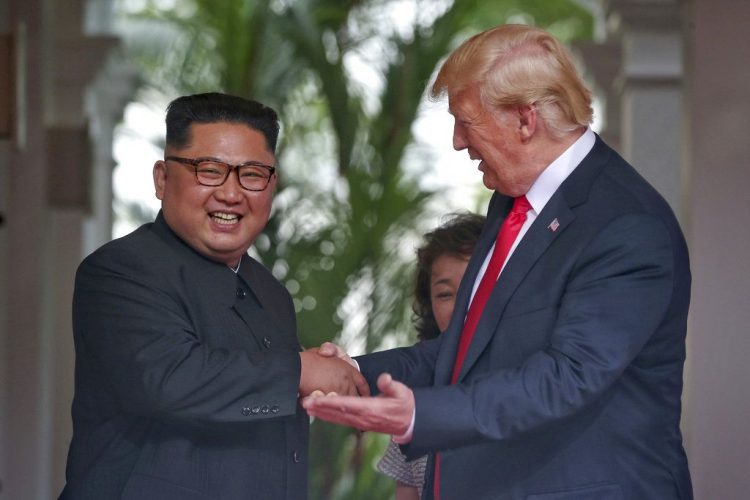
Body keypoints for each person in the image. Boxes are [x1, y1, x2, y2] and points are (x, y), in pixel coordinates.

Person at [304, 24, 693, 500]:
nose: (457, 142)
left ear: (526, 120)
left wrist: (420, 415)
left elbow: (568, 376)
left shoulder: (625, 222)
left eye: (466, 121)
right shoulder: (512, 203)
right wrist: (354, 373)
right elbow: (471, 351)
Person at [59, 92, 368, 500]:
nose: (231, 193)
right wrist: (299, 372)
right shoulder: (121, 270)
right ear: (162, 179)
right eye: (210, 170)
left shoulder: (269, 291)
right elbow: (169, 380)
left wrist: (324, 376)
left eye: (253, 174)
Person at [376, 213, 485, 500]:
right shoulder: (416, 391)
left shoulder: (537, 381)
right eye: (446, 295)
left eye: (479, 289)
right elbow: (408, 490)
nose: (463, 306)